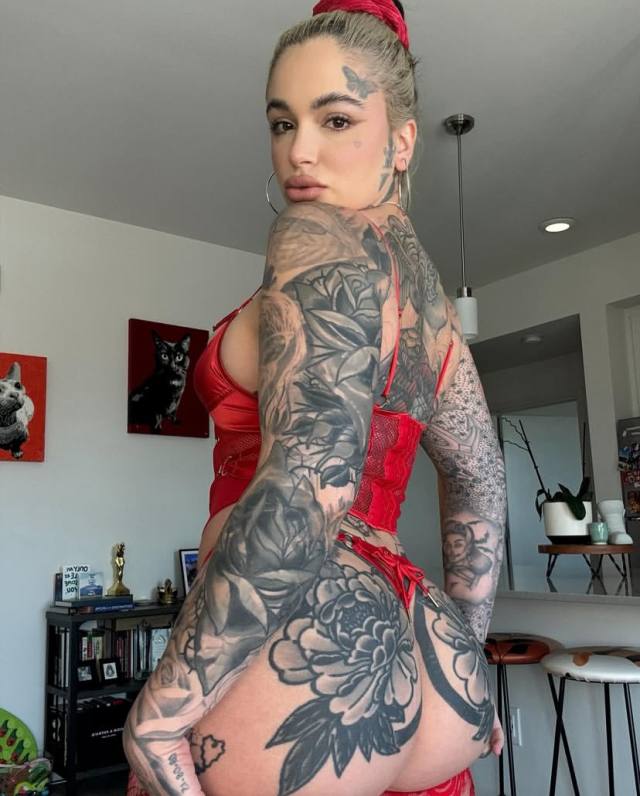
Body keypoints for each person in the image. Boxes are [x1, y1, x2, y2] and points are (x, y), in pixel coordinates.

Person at [124, 1, 506, 794]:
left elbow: (313, 481)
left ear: (403, 140)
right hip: (431, 661)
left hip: (304, 643)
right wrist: (462, 662)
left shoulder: (314, 236)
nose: (298, 151)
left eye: (336, 120)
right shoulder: (432, 307)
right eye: (281, 121)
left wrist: (164, 707)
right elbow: (480, 482)